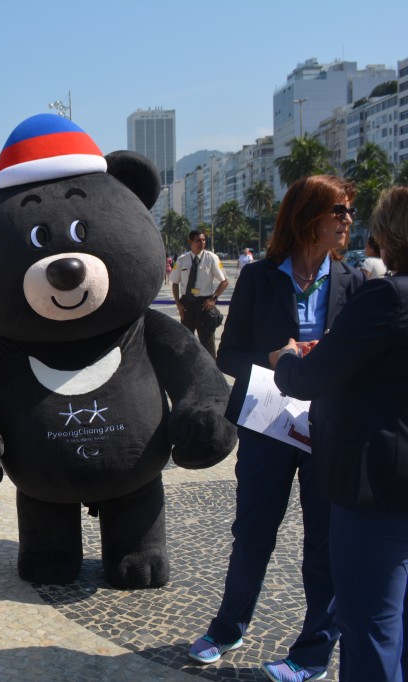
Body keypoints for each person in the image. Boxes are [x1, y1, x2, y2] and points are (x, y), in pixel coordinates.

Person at [187, 175, 364, 682]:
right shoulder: (261, 279)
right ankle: (228, 627)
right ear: (308, 215)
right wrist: (272, 358)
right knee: (253, 531)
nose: (347, 220)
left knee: (324, 541)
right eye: (338, 210)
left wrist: (326, 359)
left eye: (349, 211)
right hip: (268, 422)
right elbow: (228, 354)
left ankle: (311, 654)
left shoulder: (352, 283)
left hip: (329, 426)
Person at [269, 185, 408, 681]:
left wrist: (288, 357)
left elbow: (309, 378)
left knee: (369, 625)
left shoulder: (386, 295)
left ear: (388, 234)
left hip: (377, 486)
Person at [170, 229, 229, 358]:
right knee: (185, 341)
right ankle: (187, 369)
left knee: (207, 343)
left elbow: (224, 282)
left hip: (205, 305)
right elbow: (174, 283)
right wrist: (178, 304)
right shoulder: (181, 260)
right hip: (187, 305)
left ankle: (211, 373)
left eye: (203, 240)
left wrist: (213, 299)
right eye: (198, 240)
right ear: (190, 242)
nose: (202, 243)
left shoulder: (211, 258)